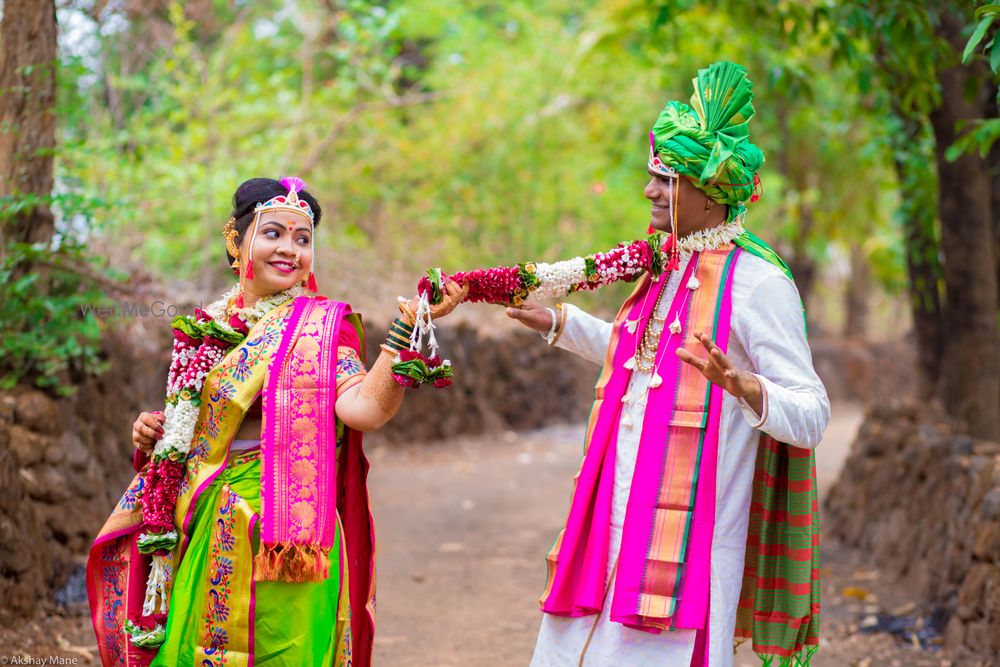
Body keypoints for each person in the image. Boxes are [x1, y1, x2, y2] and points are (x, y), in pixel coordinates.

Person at [506, 62, 830, 667]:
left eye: (668, 178)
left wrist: (746, 387)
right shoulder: (665, 263)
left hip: (689, 545)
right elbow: (642, 359)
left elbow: (812, 413)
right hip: (612, 517)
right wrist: (559, 322)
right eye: (652, 176)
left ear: (712, 192)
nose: (651, 191)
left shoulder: (758, 286)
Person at [86, 177, 465, 667]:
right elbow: (197, 427)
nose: (290, 249)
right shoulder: (207, 324)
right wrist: (153, 431)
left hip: (287, 535)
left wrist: (407, 331)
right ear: (235, 239)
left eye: (303, 239)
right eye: (274, 234)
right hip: (205, 519)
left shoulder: (321, 329)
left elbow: (364, 411)